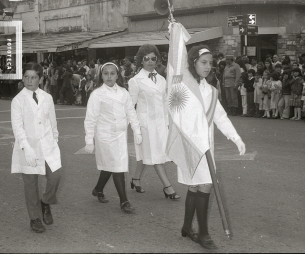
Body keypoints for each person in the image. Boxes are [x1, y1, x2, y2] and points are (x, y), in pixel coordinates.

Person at [178, 45, 245, 250]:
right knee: (202, 185)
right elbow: (174, 116)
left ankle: (188, 227)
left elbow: (220, 117)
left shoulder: (212, 91)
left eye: (210, 63)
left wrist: (235, 137)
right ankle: (203, 233)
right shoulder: (182, 88)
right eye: (203, 62)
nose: (208, 67)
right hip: (190, 146)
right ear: (193, 63)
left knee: (198, 185)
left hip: (206, 147)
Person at [10, 63, 62, 233]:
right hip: (28, 147)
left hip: (47, 145)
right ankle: (35, 219)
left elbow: (53, 122)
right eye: (26, 76)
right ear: (22, 78)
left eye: (33, 77)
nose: (29, 80)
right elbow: (18, 128)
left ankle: (45, 202)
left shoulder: (47, 97)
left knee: (55, 176)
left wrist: (54, 140)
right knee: (31, 184)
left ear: (40, 79)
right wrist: (27, 148)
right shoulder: (18, 100)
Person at [84, 62, 142, 213]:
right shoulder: (96, 94)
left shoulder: (123, 92)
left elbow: (131, 113)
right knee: (117, 166)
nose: (109, 77)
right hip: (105, 136)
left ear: (117, 75)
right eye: (106, 74)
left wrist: (137, 131)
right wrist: (89, 140)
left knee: (112, 165)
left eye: (112, 73)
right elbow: (90, 119)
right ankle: (124, 201)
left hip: (120, 136)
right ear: (101, 76)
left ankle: (98, 189)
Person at [128, 44, 180, 199]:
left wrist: (169, 122)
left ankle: (136, 179)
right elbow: (131, 106)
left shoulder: (162, 80)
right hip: (145, 126)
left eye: (153, 58)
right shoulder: (135, 81)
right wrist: (134, 127)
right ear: (140, 61)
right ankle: (168, 187)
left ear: (157, 60)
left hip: (161, 124)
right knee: (156, 156)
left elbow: (165, 103)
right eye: (146, 59)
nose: (150, 62)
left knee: (148, 154)